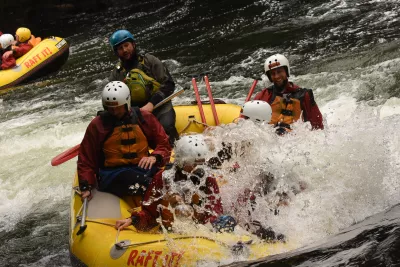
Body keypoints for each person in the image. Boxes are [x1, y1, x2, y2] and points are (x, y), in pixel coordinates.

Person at [78, 81, 172, 230]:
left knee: (169, 177)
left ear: (126, 103)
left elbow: (164, 144)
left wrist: (155, 157)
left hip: (142, 169)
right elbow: (86, 159)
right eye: (110, 108)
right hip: (113, 175)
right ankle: (146, 219)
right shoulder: (97, 125)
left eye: (117, 108)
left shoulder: (144, 118)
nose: (114, 112)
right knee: (142, 181)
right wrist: (86, 185)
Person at [115, 134, 237, 233]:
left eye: (200, 163)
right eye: (193, 164)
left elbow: (215, 210)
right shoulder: (163, 177)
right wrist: (133, 219)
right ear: (181, 162)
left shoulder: (207, 177)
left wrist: (211, 223)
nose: (197, 168)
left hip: (199, 229)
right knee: (169, 199)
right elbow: (150, 212)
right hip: (170, 230)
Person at [108, 29, 179, 145]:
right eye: (120, 48)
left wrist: (151, 104)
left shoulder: (149, 61)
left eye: (126, 45)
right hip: (136, 113)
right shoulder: (117, 73)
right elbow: (112, 100)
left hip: (160, 106)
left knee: (166, 127)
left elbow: (168, 84)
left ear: (133, 44)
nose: (125, 50)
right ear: (116, 52)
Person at [254, 54, 324, 135]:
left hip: (295, 140)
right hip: (271, 139)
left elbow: (318, 126)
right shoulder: (263, 96)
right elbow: (247, 122)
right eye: (273, 73)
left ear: (286, 72)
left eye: (279, 72)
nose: (276, 76)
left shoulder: (303, 95)